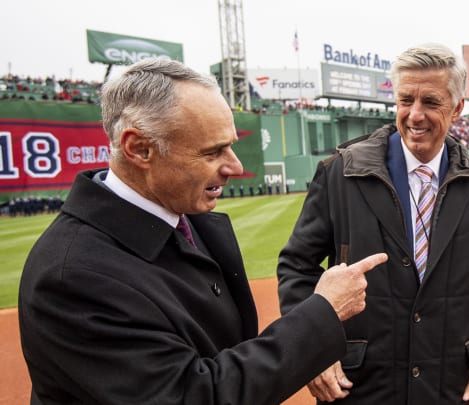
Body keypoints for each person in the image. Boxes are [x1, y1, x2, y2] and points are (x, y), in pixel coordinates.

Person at [18, 58, 387, 405]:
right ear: (139, 149)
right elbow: (194, 394)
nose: (235, 166)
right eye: (212, 152)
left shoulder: (183, 216)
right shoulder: (73, 278)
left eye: (231, 146)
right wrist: (323, 313)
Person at [277, 43, 469, 405]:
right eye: (406, 101)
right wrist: (311, 353)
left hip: (449, 385)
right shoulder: (340, 173)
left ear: (457, 109)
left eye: (430, 103)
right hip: (359, 386)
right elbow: (296, 267)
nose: (415, 115)